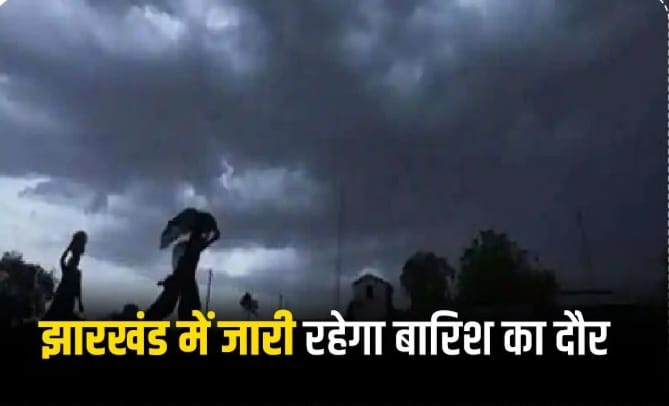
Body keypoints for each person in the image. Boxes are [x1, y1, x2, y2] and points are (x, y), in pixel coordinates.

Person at [144, 213, 219, 321]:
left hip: (182, 281)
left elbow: (198, 247)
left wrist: (212, 239)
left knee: (173, 308)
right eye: (206, 232)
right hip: (183, 280)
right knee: (175, 308)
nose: (206, 235)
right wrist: (212, 239)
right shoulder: (192, 245)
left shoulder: (191, 245)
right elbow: (197, 248)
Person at [43, 231, 87, 321]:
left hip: (69, 299)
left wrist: (80, 303)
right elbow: (62, 259)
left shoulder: (77, 273)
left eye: (76, 260)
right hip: (61, 297)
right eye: (72, 260)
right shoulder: (67, 269)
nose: (75, 261)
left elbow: (78, 289)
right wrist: (69, 248)